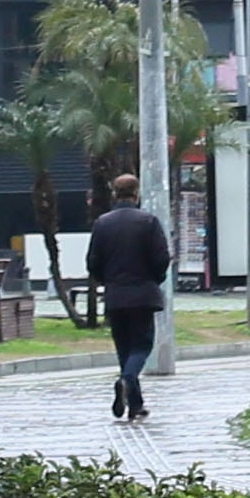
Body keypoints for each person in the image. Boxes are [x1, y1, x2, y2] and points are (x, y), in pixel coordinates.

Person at [89, 170, 174, 423]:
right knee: (141, 346)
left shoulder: (102, 223)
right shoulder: (148, 222)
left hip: (115, 295)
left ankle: (135, 404)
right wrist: (154, 279)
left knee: (124, 349)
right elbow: (161, 258)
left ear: (114, 194)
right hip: (143, 294)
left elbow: (93, 261)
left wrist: (107, 281)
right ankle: (126, 381)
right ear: (136, 194)